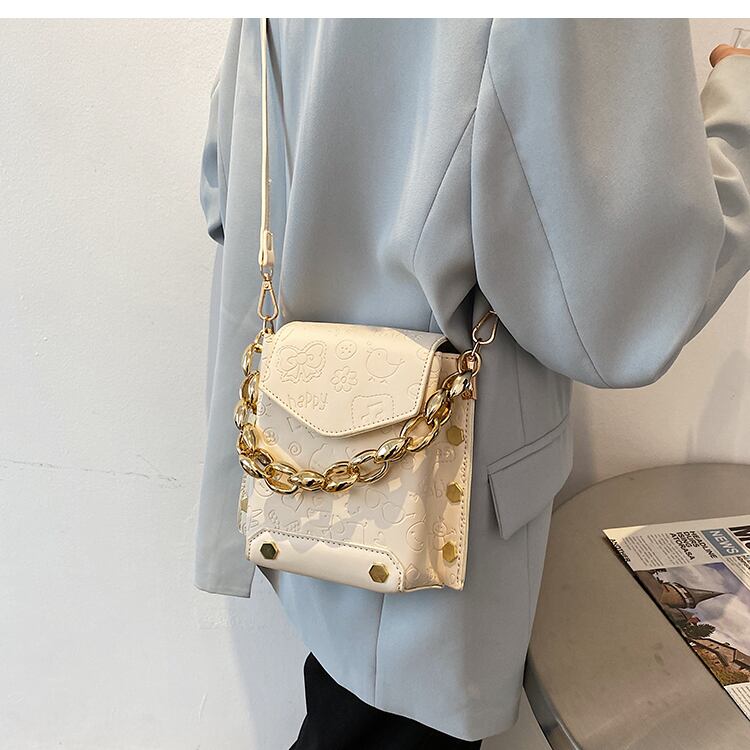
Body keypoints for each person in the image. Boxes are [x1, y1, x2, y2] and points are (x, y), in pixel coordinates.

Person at [194, 19, 750, 748]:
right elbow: (626, 305)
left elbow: (224, 185)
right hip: (434, 523)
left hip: (297, 464)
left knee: (345, 716)